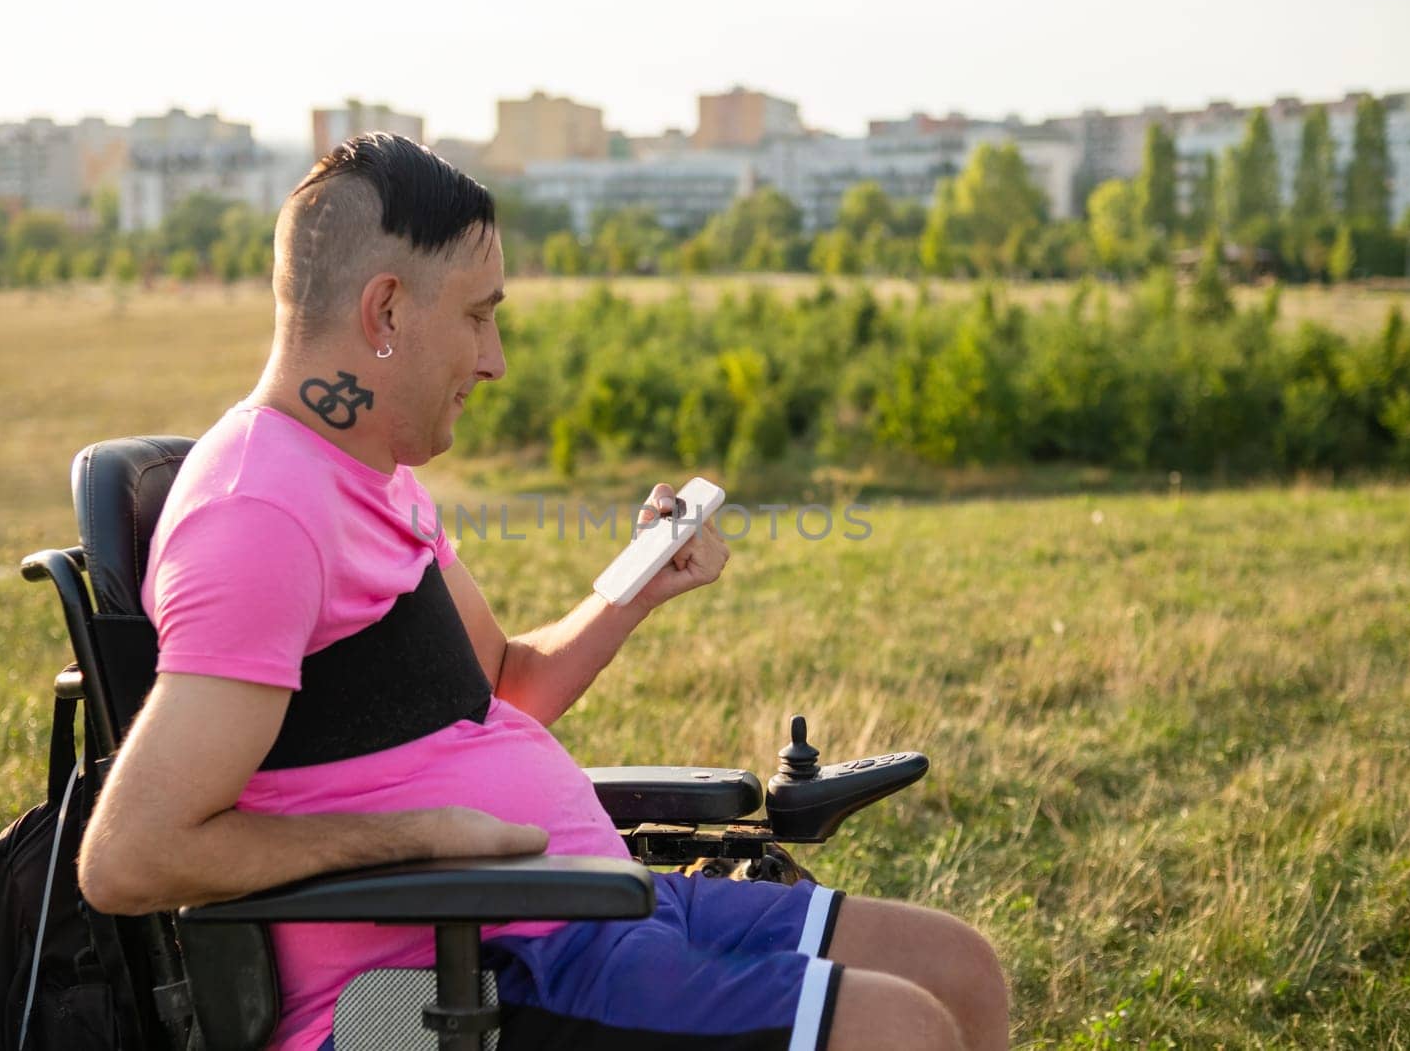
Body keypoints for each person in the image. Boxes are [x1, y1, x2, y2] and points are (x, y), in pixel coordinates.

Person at [78, 133, 1008, 1051]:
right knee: (900, 1029)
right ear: (387, 311)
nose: (496, 360)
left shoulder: (372, 473)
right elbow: (132, 854)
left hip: (573, 910)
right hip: (447, 986)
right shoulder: (258, 513)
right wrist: (417, 836)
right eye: (480, 316)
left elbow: (509, 685)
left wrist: (634, 587)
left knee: (957, 971)